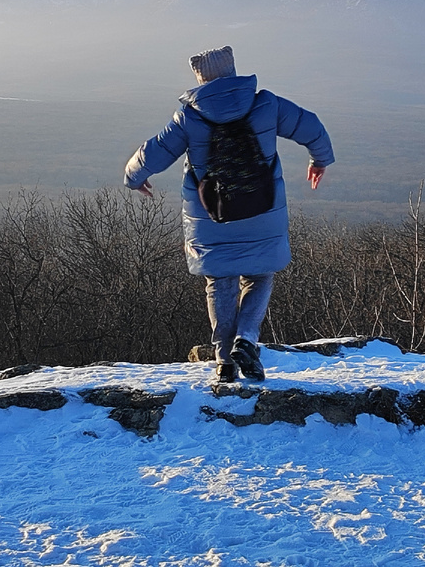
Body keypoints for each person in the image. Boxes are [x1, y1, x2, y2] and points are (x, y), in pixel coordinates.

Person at [124, 45, 334, 383]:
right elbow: (310, 126)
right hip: (262, 209)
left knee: (219, 282)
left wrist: (133, 178)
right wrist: (319, 159)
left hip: (212, 217)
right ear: (233, 71)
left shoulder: (190, 117)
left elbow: (154, 152)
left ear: (201, 78)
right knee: (260, 274)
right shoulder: (267, 104)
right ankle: (246, 339)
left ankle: (224, 361)